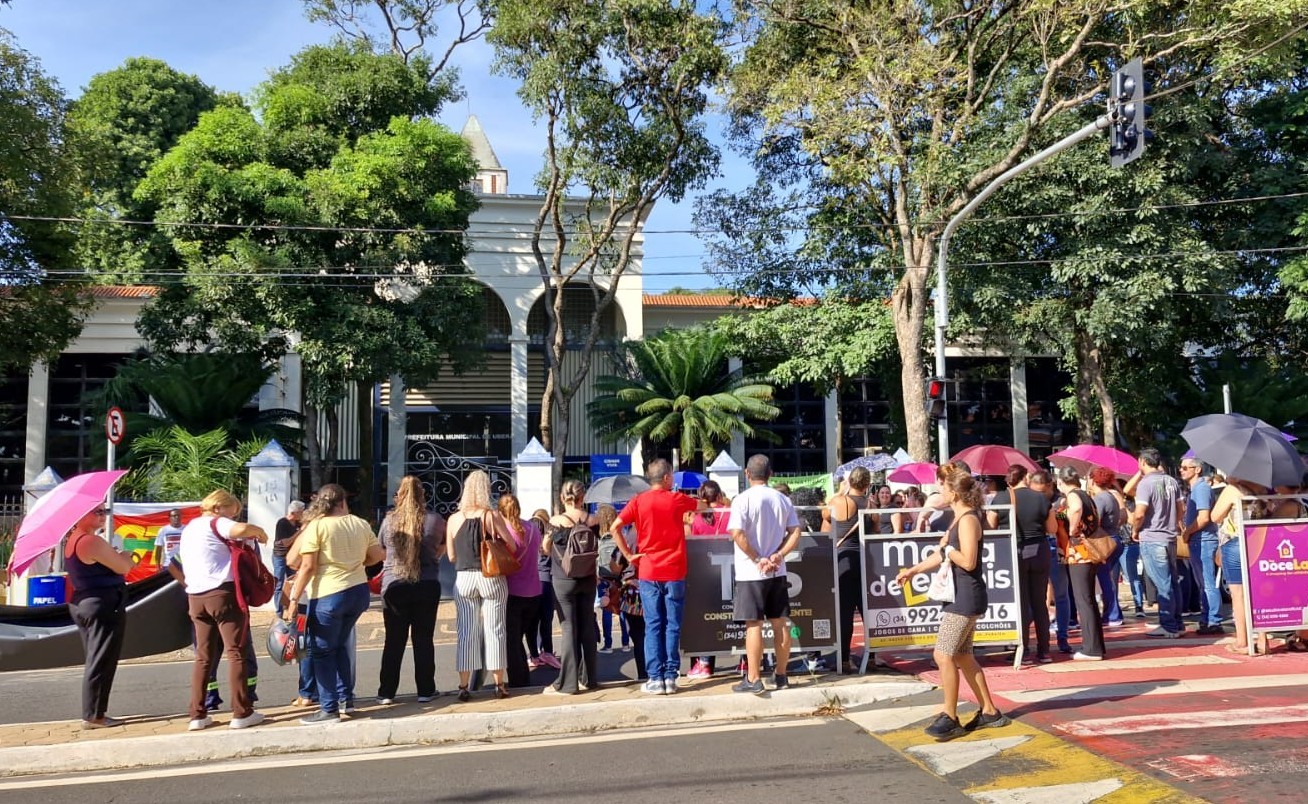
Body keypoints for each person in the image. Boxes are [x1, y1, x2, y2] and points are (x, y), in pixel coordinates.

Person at [895, 466, 1009, 741]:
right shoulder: (958, 518)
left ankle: (950, 714)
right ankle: (990, 711)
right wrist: (914, 570)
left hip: (965, 596)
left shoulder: (968, 520)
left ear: (955, 493)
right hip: (960, 594)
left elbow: (967, 560)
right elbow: (942, 555)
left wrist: (948, 549)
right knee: (962, 655)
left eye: (944, 488)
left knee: (943, 654)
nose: (940, 493)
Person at [285, 483, 384, 724]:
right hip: (358, 591)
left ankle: (328, 709)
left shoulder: (317, 527)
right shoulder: (359, 523)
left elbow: (306, 566)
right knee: (339, 645)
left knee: (321, 650)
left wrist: (293, 599)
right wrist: (355, 562)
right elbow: (378, 555)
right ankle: (345, 698)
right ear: (342, 501)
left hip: (329, 593)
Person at [177, 490, 269, 731]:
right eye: (232, 511)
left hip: (195, 597)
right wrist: (259, 532)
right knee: (236, 652)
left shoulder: (190, 528)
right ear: (219, 507)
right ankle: (242, 712)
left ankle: (197, 714)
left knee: (203, 656)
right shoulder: (216, 522)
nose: (234, 516)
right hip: (222, 593)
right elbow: (240, 530)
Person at [611, 458, 704, 695]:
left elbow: (615, 527)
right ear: (665, 478)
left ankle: (655, 677)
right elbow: (701, 506)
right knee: (672, 625)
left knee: (653, 624)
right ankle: (671, 677)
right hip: (674, 570)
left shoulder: (638, 501)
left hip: (648, 570)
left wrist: (629, 555)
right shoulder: (676, 499)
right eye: (671, 476)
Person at [728, 455, 803, 694]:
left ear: (747, 475)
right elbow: (795, 532)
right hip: (777, 570)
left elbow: (737, 534)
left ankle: (753, 677)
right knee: (780, 622)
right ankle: (781, 674)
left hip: (751, 571)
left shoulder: (742, 500)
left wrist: (758, 558)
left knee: (754, 624)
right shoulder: (782, 499)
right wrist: (778, 555)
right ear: (770, 474)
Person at [376, 476, 446, 705]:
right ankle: (426, 690)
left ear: (400, 495)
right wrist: (433, 557)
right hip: (427, 583)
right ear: (423, 494)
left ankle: (386, 692)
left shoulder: (389, 521)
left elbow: (382, 549)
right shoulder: (435, 520)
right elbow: (442, 546)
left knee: (394, 641)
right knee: (423, 639)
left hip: (395, 585)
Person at [64, 504, 134, 729]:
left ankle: (95, 712)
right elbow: (123, 567)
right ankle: (94, 715)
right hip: (101, 604)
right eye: (97, 512)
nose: (103, 516)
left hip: (84, 602)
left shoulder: (74, 540)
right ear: (81, 515)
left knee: (96, 658)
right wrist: (126, 557)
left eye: (104, 511)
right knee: (101, 660)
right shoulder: (90, 541)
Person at [447, 470, 515, 701]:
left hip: (464, 578)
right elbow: (511, 545)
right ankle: (499, 684)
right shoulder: (491, 515)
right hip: (490, 575)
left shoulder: (454, 519)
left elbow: (451, 555)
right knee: (495, 629)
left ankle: (463, 686)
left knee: (466, 632)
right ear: (486, 490)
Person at [986, 465, 1052, 663]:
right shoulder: (1041, 498)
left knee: (1021, 603)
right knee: (1040, 603)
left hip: (1014, 553)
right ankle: (1045, 650)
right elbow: (1052, 527)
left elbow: (990, 527)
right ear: (1027, 477)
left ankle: (1022, 650)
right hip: (1039, 551)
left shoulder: (1001, 498)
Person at [543, 480, 600, 695]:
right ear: (582, 497)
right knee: (587, 626)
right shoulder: (592, 520)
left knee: (568, 628)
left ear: (562, 498)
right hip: (587, 579)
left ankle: (568, 683)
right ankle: (590, 678)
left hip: (563, 579)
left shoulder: (556, 521)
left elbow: (545, 548)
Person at [1126, 448, 1186, 638]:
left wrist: (1135, 530)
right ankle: (1177, 622)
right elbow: (1181, 508)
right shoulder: (1170, 480)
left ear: (1143, 461)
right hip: (1169, 537)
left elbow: (1140, 512)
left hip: (1152, 537)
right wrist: (1173, 522)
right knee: (1172, 581)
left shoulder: (1146, 483)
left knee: (1163, 583)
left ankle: (1169, 625)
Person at [1051, 466, 1106, 661]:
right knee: (1088, 599)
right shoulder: (1085, 494)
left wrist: (1073, 527)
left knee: (1084, 600)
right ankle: (1094, 645)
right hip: (1085, 552)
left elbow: (1075, 509)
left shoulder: (1074, 496)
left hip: (1078, 552)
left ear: (1060, 482)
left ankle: (1092, 648)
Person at [829, 466, 873, 672]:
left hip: (843, 560)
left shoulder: (839, 502)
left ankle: (844, 659)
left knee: (845, 612)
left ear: (849, 482)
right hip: (865, 560)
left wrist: (841, 491)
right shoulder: (871, 505)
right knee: (867, 610)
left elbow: (825, 514)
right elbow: (873, 531)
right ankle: (871, 656)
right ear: (867, 484)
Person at [686, 480, 730, 679]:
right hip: (731, 572)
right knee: (736, 619)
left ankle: (705, 664)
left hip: (705, 575)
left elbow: (694, 545)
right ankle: (746, 663)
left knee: (706, 620)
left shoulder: (697, 518)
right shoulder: (729, 513)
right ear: (719, 495)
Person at [500, 492, 542, 688]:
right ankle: (523, 674)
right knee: (520, 636)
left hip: (512, 591)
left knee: (512, 640)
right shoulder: (533, 528)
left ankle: (519, 680)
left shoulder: (503, 531)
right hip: (534, 590)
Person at [1179, 459, 1223, 636]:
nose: (1181, 471)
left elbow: (1204, 517)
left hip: (1203, 540)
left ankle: (1213, 620)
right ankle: (1208, 619)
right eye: (1180, 467)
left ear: (1197, 469)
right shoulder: (1196, 489)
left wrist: (1188, 532)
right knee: (1203, 583)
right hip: (1199, 540)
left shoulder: (1202, 488)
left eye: (1184, 468)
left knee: (1207, 583)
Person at [1087, 467, 1126, 628]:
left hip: (1105, 542)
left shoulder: (1100, 499)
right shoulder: (1111, 496)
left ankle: (1112, 613)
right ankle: (1113, 612)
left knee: (1105, 580)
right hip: (1115, 539)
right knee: (1107, 579)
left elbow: (1096, 522)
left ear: (1092, 480)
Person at [527, 508, 561, 671]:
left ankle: (533, 654)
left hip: (532, 582)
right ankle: (547, 652)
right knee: (546, 620)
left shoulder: (529, 540)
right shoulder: (547, 542)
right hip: (547, 581)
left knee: (532, 621)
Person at [594, 503, 629, 654]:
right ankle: (626, 643)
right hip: (619, 578)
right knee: (622, 610)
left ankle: (608, 645)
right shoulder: (620, 537)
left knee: (607, 610)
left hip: (604, 579)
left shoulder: (599, 539)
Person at [272, 501, 305, 618]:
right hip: (280, 556)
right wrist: (299, 533)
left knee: (294, 582)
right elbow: (285, 542)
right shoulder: (282, 523)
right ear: (294, 512)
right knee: (279, 583)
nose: (302, 514)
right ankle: (279, 611)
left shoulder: (297, 523)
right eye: (301, 512)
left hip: (292, 557)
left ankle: (291, 608)